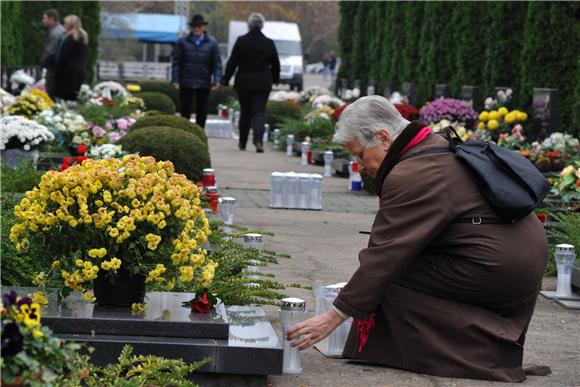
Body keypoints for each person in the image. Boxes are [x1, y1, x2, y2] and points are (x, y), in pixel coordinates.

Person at [286, 96, 549, 383]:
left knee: (387, 278)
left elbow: (384, 257)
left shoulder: (413, 173)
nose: (359, 164)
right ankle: (487, 344)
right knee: (384, 275)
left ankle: (483, 352)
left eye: (359, 154)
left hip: (499, 265)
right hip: (516, 257)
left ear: (383, 137)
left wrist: (332, 318)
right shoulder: (432, 145)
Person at [222, 13, 280, 152]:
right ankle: (258, 141)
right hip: (263, 83)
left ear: (248, 25)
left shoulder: (241, 41)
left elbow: (233, 62)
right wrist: (275, 78)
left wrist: (225, 79)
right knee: (259, 112)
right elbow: (275, 64)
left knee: (246, 112)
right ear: (262, 25)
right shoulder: (269, 43)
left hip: (244, 82)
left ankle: (242, 142)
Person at [171, 14, 222, 128]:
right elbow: (176, 63)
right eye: (194, 26)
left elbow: (217, 64)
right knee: (185, 111)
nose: (197, 28)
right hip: (186, 81)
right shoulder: (182, 42)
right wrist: (175, 79)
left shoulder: (212, 43)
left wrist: (217, 80)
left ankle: (199, 136)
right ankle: (184, 135)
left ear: (203, 27)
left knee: (202, 112)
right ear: (191, 28)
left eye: (199, 26)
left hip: (204, 81)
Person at [53, 15, 88, 101]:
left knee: (64, 98)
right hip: (79, 70)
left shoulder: (70, 38)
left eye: (65, 23)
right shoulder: (82, 37)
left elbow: (63, 56)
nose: (63, 26)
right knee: (73, 97)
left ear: (70, 25)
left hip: (68, 72)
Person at [41, 9, 66, 98]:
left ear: (51, 18)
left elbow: (51, 51)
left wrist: (44, 62)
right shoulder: (60, 30)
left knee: (51, 91)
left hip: (53, 67)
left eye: (45, 18)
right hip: (58, 67)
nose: (43, 21)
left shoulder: (55, 33)